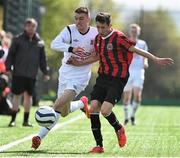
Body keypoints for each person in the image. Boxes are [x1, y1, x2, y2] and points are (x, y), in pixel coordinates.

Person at [68, 12, 173, 153]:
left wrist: (155, 59)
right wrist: (78, 63)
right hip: (103, 78)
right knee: (93, 108)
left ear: (110, 26)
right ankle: (99, 146)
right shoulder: (98, 38)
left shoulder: (118, 37)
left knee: (105, 110)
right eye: (98, 27)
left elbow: (136, 50)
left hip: (118, 79)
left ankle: (119, 128)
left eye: (103, 27)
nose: (100, 30)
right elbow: (96, 56)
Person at [31, 7, 98, 150]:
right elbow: (54, 44)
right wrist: (71, 48)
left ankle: (39, 137)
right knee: (64, 112)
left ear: (88, 19)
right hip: (65, 73)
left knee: (57, 106)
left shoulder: (95, 33)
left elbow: (98, 55)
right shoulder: (69, 30)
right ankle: (82, 103)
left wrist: (80, 62)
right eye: (76, 18)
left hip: (80, 77)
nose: (78, 21)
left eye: (81, 18)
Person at [5, 18, 50, 127]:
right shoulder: (17, 40)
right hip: (18, 73)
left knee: (28, 97)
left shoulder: (40, 42)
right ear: (25, 27)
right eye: (29, 26)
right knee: (16, 96)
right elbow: (10, 55)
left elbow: (42, 59)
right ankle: (13, 120)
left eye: (33, 26)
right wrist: (8, 69)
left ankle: (26, 120)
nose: (31, 28)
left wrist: (45, 72)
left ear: (36, 27)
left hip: (32, 74)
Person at [123, 24, 148, 125]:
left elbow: (145, 55)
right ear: (130, 31)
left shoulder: (142, 43)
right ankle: (126, 118)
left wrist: (146, 62)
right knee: (127, 96)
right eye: (132, 30)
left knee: (137, 96)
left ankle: (132, 115)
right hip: (128, 71)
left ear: (138, 32)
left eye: (136, 30)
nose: (134, 32)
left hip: (139, 71)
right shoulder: (126, 41)